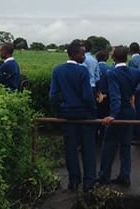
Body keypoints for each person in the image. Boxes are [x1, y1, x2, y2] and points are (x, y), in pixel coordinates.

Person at [98, 46, 140, 187]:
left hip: (119, 113)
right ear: (126, 57)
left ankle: (104, 177)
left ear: (113, 57)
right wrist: (135, 92)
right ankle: (125, 176)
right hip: (130, 111)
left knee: (109, 145)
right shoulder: (134, 72)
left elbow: (116, 96)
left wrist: (113, 115)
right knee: (125, 145)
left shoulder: (112, 74)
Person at [49, 40, 97, 192]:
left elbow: (53, 96)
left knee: (71, 149)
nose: (84, 56)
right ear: (75, 54)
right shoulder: (82, 71)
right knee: (88, 149)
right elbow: (88, 96)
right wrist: (93, 110)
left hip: (67, 115)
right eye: (82, 54)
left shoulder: (58, 71)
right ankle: (89, 182)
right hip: (84, 115)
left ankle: (74, 181)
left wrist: (59, 110)